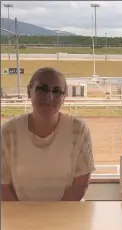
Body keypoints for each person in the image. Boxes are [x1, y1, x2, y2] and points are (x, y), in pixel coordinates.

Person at [1, 67, 96, 201]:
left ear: (64, 98)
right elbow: (3, 186)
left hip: (67, 214)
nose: (49, 97)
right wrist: (24, 218)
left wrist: (55, 218)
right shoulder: (8, 132)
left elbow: (81, 184)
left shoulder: (78, 129)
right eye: (42, 89)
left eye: (57, 91)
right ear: (29, 91)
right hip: (21, 217)